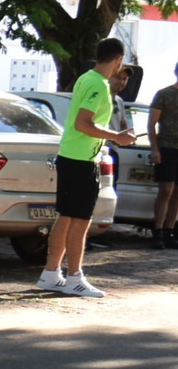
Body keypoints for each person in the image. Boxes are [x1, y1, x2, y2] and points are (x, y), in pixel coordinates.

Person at [39, 37, 134, 298]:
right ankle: (74, 278)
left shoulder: (85, 78)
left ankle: (50, 273)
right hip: (81, 160)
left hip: (72, 155)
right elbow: (84, 123)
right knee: (81, 221)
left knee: (67, 217)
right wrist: (117, 136)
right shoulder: (99, 85)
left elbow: (81, 122)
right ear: (117, 60)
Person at [148, 62, 178, 248]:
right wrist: (154, 149)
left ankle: (169, 230)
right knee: (165, 190)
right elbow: (151, 124)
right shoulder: (164, 94)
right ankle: (157, 231)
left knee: (177, 193)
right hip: (166, 148)